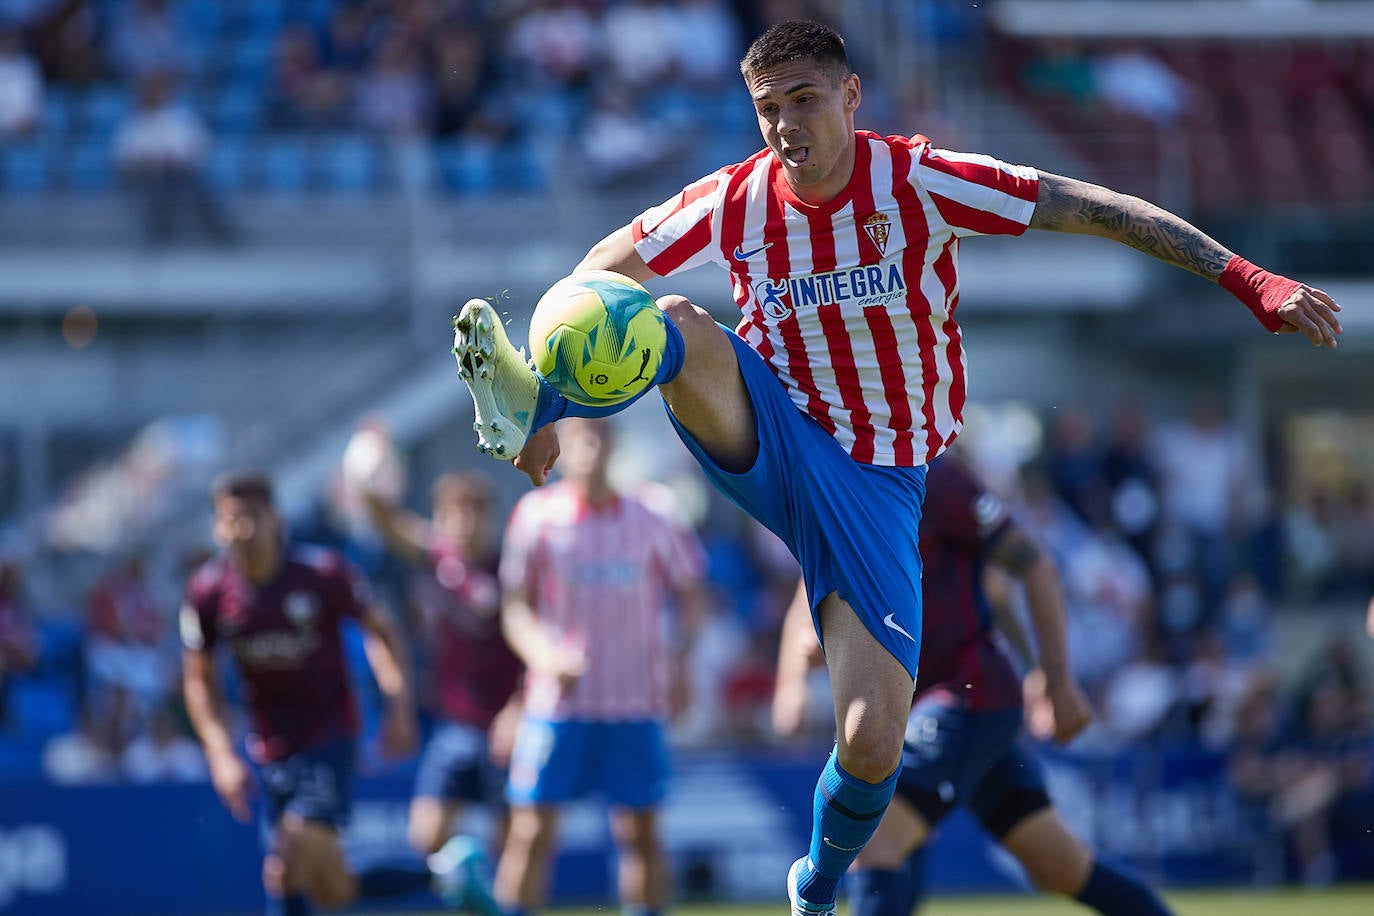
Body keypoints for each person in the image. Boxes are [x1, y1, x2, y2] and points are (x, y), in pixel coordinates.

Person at [451, 20, 1343, 916]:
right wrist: (550, 391)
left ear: (850, 95)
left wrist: (1250, 282)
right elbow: (603, 271)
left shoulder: (919, 181)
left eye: (803, 101)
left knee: (873, 742)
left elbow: (1093, 204)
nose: (785, 126)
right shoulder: (736, 200)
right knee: (676, 320)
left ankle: (816, 886)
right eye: (767, 109)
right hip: (770, 427)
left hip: (880, 484)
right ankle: (537, 402)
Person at [772, 454, 1173, 915]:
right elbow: (812, 581)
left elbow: (1034, 564)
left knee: (871, 842)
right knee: (1060, 866)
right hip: (928, 705)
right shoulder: (835, 479)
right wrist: (791, 679)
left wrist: (1056, 678)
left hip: (968, 696)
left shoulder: (936, 478)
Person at [179, 472, 461, 916]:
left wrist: (399, 705)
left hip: (329, 735)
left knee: (286, 861)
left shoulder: (322, 573)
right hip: (271, 746)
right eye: (231, 519)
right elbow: (198, 678)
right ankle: (447, 876)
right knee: (331, 888)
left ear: (275, 519)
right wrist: (219, 753)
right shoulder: (208, 592)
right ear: (217, 526)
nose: (242, 531)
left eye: (252, 517)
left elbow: (382, 631)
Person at [493, 418, 710, 916]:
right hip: (558, 705)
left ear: (613, 444)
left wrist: (680, 655)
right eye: (581, 439)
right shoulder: (536, 515)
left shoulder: (655, 512)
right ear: (564, 448)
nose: (591, 448)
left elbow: (692, 592)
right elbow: (515, 607)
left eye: (600, 437)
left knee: (640, 832)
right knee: (530, 830)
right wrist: (543, 655)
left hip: (636, 701)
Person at [356, 447, 524, 913]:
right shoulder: (437, 558)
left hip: (504, 722)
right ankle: (466, 888)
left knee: (511, 840)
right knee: (425, 837)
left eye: (475, 512)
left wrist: (518, 709)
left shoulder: (510, 569)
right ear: (440, 517)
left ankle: (498, 904)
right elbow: (385, 520)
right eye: (454, 512)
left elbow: (532, 645)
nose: (465, 522)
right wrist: (368, 464)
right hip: (453, 723)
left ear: (490, 517)